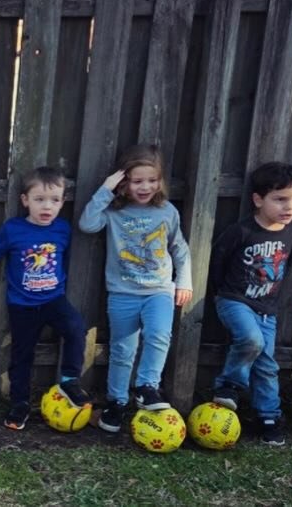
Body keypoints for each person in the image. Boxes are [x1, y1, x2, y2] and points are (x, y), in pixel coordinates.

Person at [77, 144, 192, 433]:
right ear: (123, 182)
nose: (145, 187)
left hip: (159, 291)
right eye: (137, 181)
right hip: (123, 293)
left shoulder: (167, 211)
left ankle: (146, 387)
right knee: (121, 350)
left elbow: (179, 249)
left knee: (158, 335)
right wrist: (106, 189)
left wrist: (184, 281)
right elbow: (87, 224)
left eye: (152, 180)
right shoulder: (115, 211)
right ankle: (117, 402)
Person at [0, 165, 91, 430]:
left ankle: (70, 380)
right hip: (23, 305)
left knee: (75, 328)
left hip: (53, 300)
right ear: (25, 200)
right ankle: (20, 404)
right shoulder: (13, 229)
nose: (46, 206)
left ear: (62, 202)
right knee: (22, 356)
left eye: (54, 200)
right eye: (39, 199)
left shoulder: (62, 229)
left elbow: (66, 260)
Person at [209, 160, 292, 446]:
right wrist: (222, 293)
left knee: (267, 364)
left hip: (267, 308)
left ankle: (268, 416)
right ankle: (229, 384)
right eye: (280, 199)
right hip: (234, 299)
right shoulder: (242, 231)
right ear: (258, 199)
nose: (289, 207)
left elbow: (289, 267)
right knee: (251, 341)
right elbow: (217, 262)